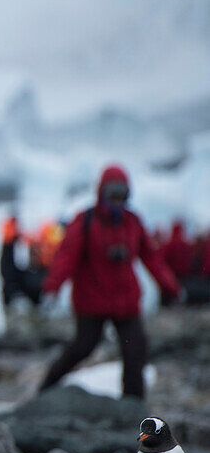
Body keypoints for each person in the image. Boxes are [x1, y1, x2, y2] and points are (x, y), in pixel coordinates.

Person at [38, 164, 179, 399]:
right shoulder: (85, 222)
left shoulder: (132, 223)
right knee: (82, 347)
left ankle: (133, 406)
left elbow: (152, 259)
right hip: (91, 303)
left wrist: (171, 287)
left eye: (122, 195)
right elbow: (66, 257)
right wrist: (52, 287)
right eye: (112, 194)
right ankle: (45, 389)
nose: (116, 201)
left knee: (135, 351)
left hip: (125, 304)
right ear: (101, 193)